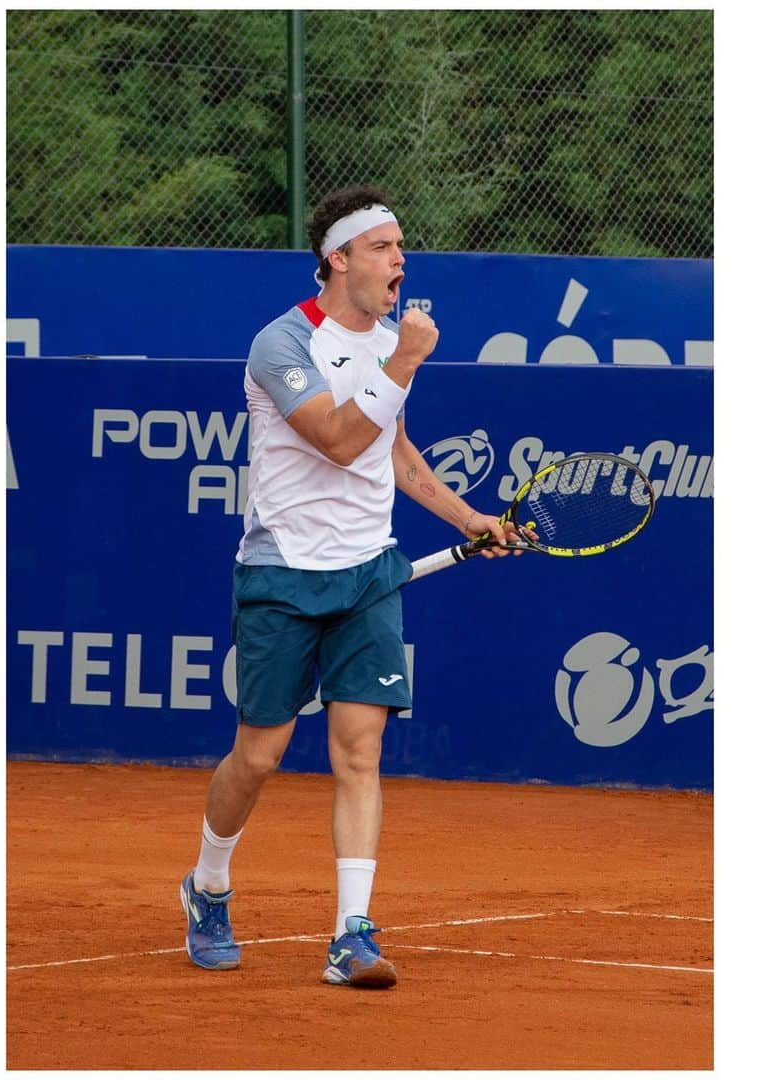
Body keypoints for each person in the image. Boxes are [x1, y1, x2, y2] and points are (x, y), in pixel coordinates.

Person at [179, 184, 524, 989]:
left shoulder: (387, 342)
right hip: (282, 573)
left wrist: (468, 517)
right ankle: (209, 885)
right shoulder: (282, 344)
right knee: (258, 757)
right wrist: (403, 359)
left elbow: (394, 454)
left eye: (401, 247)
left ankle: (352, 935)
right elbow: (338, 440)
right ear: (338, 258)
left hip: (370, 569)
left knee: (359, 751)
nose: (400, 260)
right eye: (382, 246)